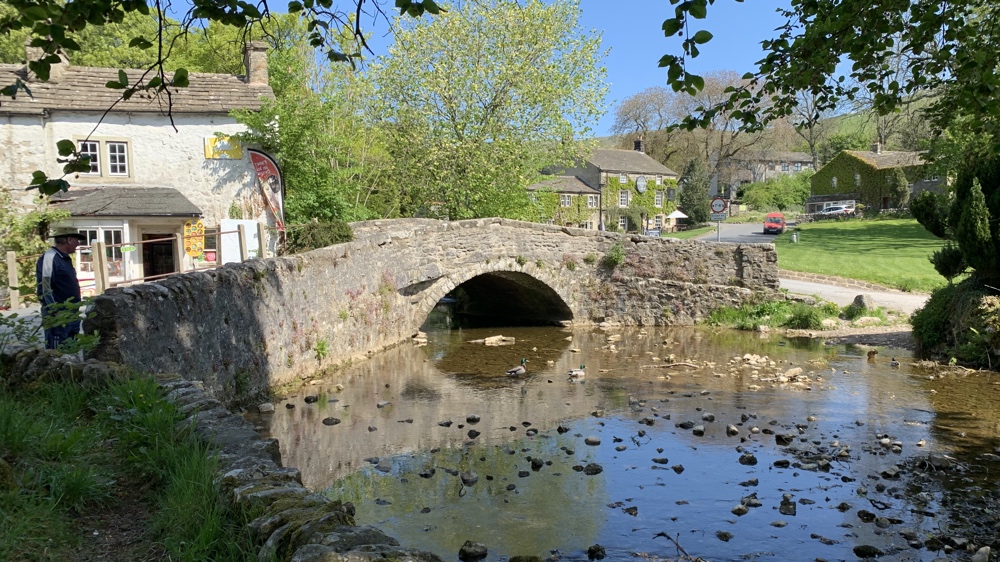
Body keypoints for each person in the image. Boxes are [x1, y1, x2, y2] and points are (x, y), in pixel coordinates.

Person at [36, 227, 85, 349]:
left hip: (71, 311)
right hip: (59, 314)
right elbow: (46, 286)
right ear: (68, 239)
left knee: (71, 346)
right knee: (57, 350)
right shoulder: (50, 257)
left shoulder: (63, 258)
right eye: (76, 240)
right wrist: (55, 311)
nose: (78, 244)